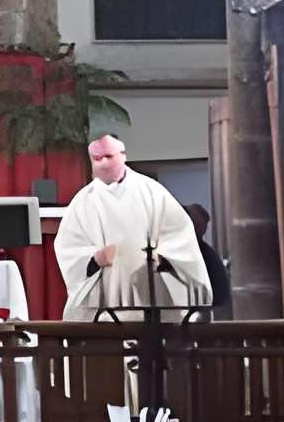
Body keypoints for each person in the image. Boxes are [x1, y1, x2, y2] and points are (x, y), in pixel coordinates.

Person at [53, 135, 210, 319]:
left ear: (122, 155)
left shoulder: (153, 193)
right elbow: (69, 249)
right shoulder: (83, 202)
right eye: (97, 158)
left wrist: (161, 258)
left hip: (152, 299)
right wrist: (95, 259)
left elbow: (180, 238)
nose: (103, 162)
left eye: (109, 156)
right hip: (104, 305)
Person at [183, 202, 234, 315]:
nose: (200, 234)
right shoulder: (193, 249)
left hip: (205, 307)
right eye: (197, 228)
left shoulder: (199, 250)